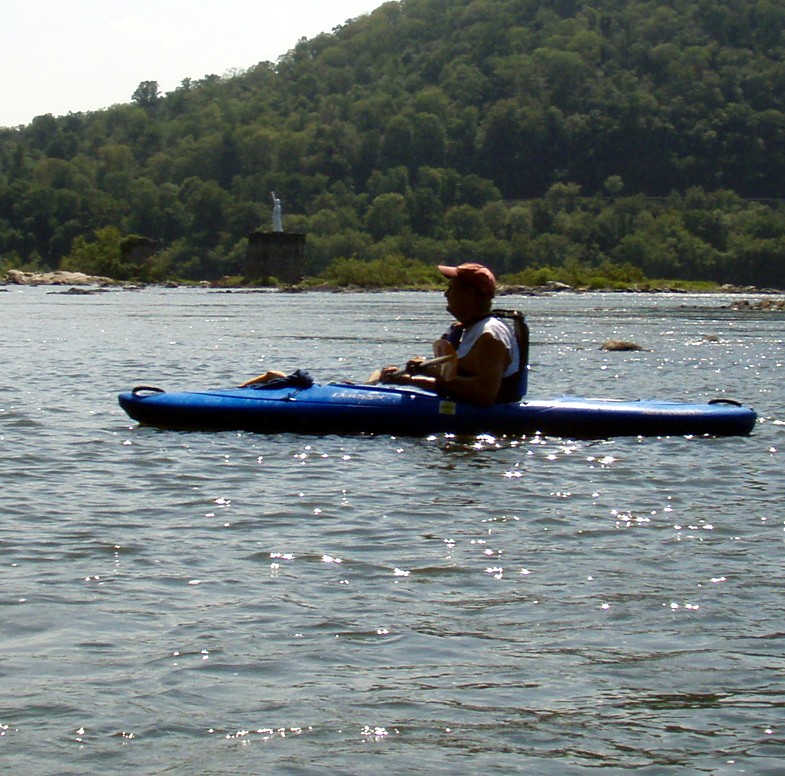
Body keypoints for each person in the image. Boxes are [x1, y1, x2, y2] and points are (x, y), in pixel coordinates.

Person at [378, 262, 521, 406]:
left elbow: (484, 394)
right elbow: (450, 384)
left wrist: (432, 372)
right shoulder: (460, 330)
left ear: (469, 294)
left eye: (451, 288)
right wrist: (407, 379)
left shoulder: (490, 336)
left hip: (491, 418)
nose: (446, 294)